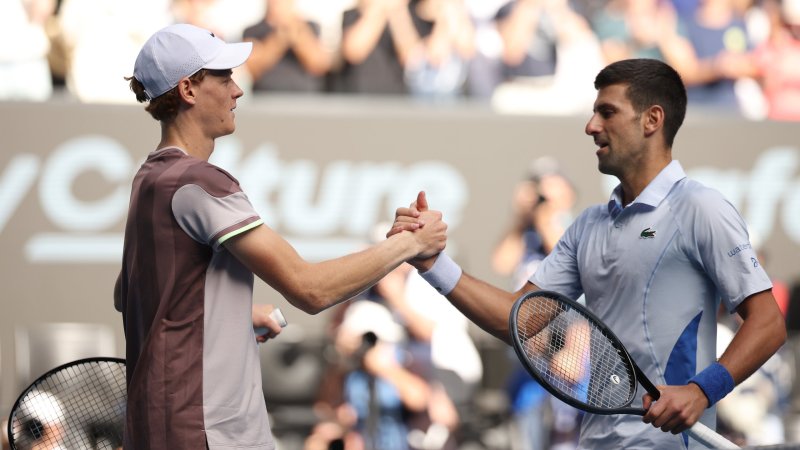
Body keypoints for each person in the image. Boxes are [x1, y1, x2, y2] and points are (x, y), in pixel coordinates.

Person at [390, 58, 787, 448]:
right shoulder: (587, 225)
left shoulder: (701, 208)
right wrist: (433, 264)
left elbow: (768, 323)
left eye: (607, 112)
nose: (590, 126)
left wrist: (701, 392)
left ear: (652, 120)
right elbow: (519, 321)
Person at [114, 23, 446, 450]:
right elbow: (310, 290)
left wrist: (228, 314)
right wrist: (410, 244)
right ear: (188, 90)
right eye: (224, 78)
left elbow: (133, 294)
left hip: (162, 430)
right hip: (206, 435)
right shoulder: (199, 182)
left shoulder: (150, 178)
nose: (237, 91)